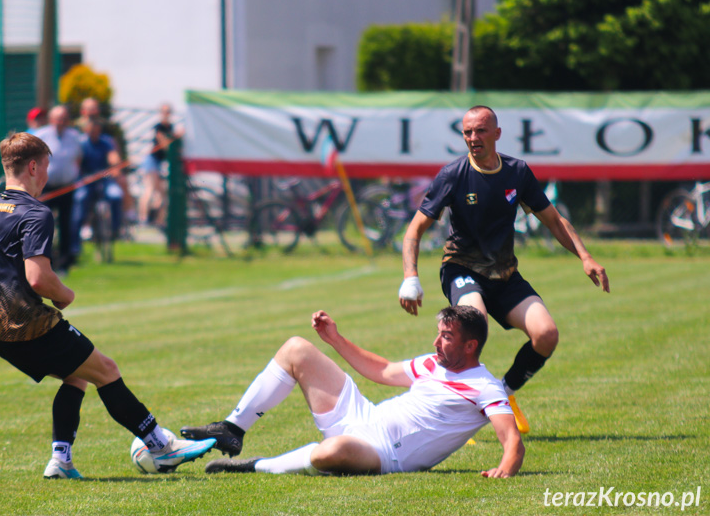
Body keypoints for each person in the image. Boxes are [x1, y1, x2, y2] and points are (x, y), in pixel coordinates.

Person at [0, 132, 216, 479]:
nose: (47, 176)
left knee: (76, 377)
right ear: (33, 166)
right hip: (29, 325)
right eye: (46, 167)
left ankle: (61, 460)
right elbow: (38, 278)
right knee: (106, 371)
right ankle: (160, 447)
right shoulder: (35, 213)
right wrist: (64, 295)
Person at [397, 105, 609, 434]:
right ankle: (449, 413)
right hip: (461, 268)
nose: (473, 138)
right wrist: (411, 278)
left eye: (480, 130)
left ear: (496, 133)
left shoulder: (517, 172)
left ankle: (503, 394)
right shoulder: (452, 175)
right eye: (467, 132)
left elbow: (552, 219)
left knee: (546, 335)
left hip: (505, 274)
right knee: (473, 327)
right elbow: (414, 230)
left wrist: (585, 256)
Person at [183, 306, 523, 477]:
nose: (436, 342)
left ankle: (256, 466)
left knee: (328, 452)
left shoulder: (484, 386)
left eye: (446, 337)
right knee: (296, 349)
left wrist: (504, 469)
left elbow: (512, 441)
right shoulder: (434, 363)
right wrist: (335, 339)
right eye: (438, 333)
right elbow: (383, 370)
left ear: (470, 345)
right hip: (364, 416)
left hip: (384, 453)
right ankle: (232, 429)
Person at [71, 116, 125, 260]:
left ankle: (115, 230)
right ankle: (77, 239)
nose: (94, 131)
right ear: (86, 129)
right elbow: (76, 162)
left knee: (116, 195)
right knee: (80, 198)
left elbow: (113, 158)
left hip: (105, 180)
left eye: (96, 129)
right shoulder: (81, 143)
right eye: (91, 129)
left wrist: (115, 167)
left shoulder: (106, 142)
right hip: (86, 181)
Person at [36, 106, 82, 272]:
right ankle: (45, 260)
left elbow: (78, 158)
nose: (60, 122)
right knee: (45, 223)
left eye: (63, 118)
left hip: (67, 186)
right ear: (51, 119)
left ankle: (64, 262)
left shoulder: (74, 137)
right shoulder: (41, 135)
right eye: (57, 118)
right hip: (47, 187)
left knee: (66, 223)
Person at [137, 103, 181, 228]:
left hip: (159, 164)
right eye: (164, 111)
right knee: (149, 189)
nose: (166, 114)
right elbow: (164, 145)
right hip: (152, 162)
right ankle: (143, 219)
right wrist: (175, 140)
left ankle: (159, 220)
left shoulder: (170, 127)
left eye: (168, 111)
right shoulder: (159, 127)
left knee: (163, 196)